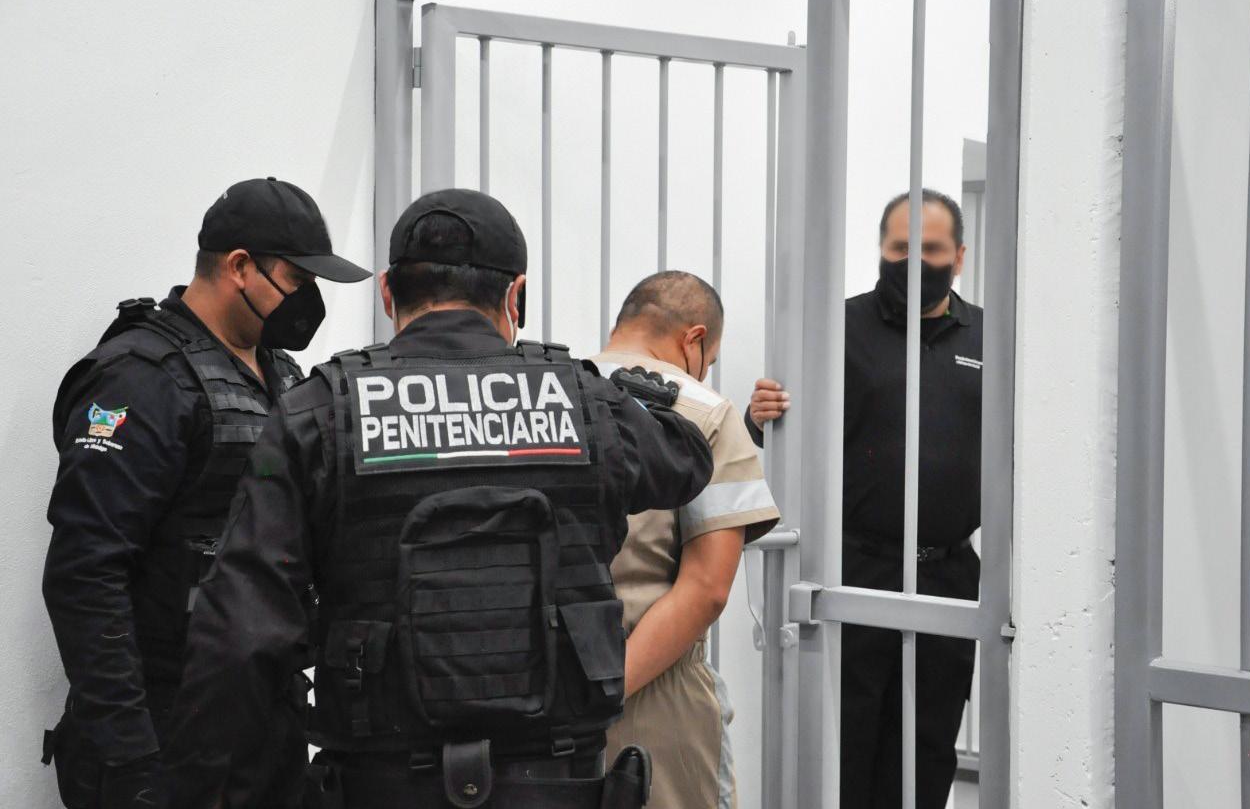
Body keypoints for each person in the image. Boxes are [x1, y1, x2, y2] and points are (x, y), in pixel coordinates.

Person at [163, 188, 715, 809]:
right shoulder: (586, 402)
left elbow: (240, 635)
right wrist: (639, 395)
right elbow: (685, 464)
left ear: (388, 294)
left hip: (379, 785)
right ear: (515, 296)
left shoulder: (317, 412)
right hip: (557, 782)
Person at [41, 177, 372, 809]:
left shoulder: (282, 375)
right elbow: (86, 574)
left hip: (263, 719)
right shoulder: (142, 379)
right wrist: (131, 757)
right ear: (240, 267)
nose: (309, 299)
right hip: (163, 727)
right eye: (297, 279)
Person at [748, 189, 982, 809]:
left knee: (929, 743)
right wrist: (758, 416)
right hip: (855, 568)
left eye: (931, 249)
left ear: (959, 257)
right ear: (881, 249)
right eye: (900, 248)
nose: (914, 261)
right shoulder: (836, 329)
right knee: (848, 743)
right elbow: (781, 428)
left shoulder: (992, 339)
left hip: (949, 576)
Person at [591, 271, 778, 809]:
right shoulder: (704, 412)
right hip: (655, 691)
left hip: (543, 690)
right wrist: (603, 694)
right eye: (709, 359)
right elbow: (707, 590)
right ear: (693, 339)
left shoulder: (548, 392)